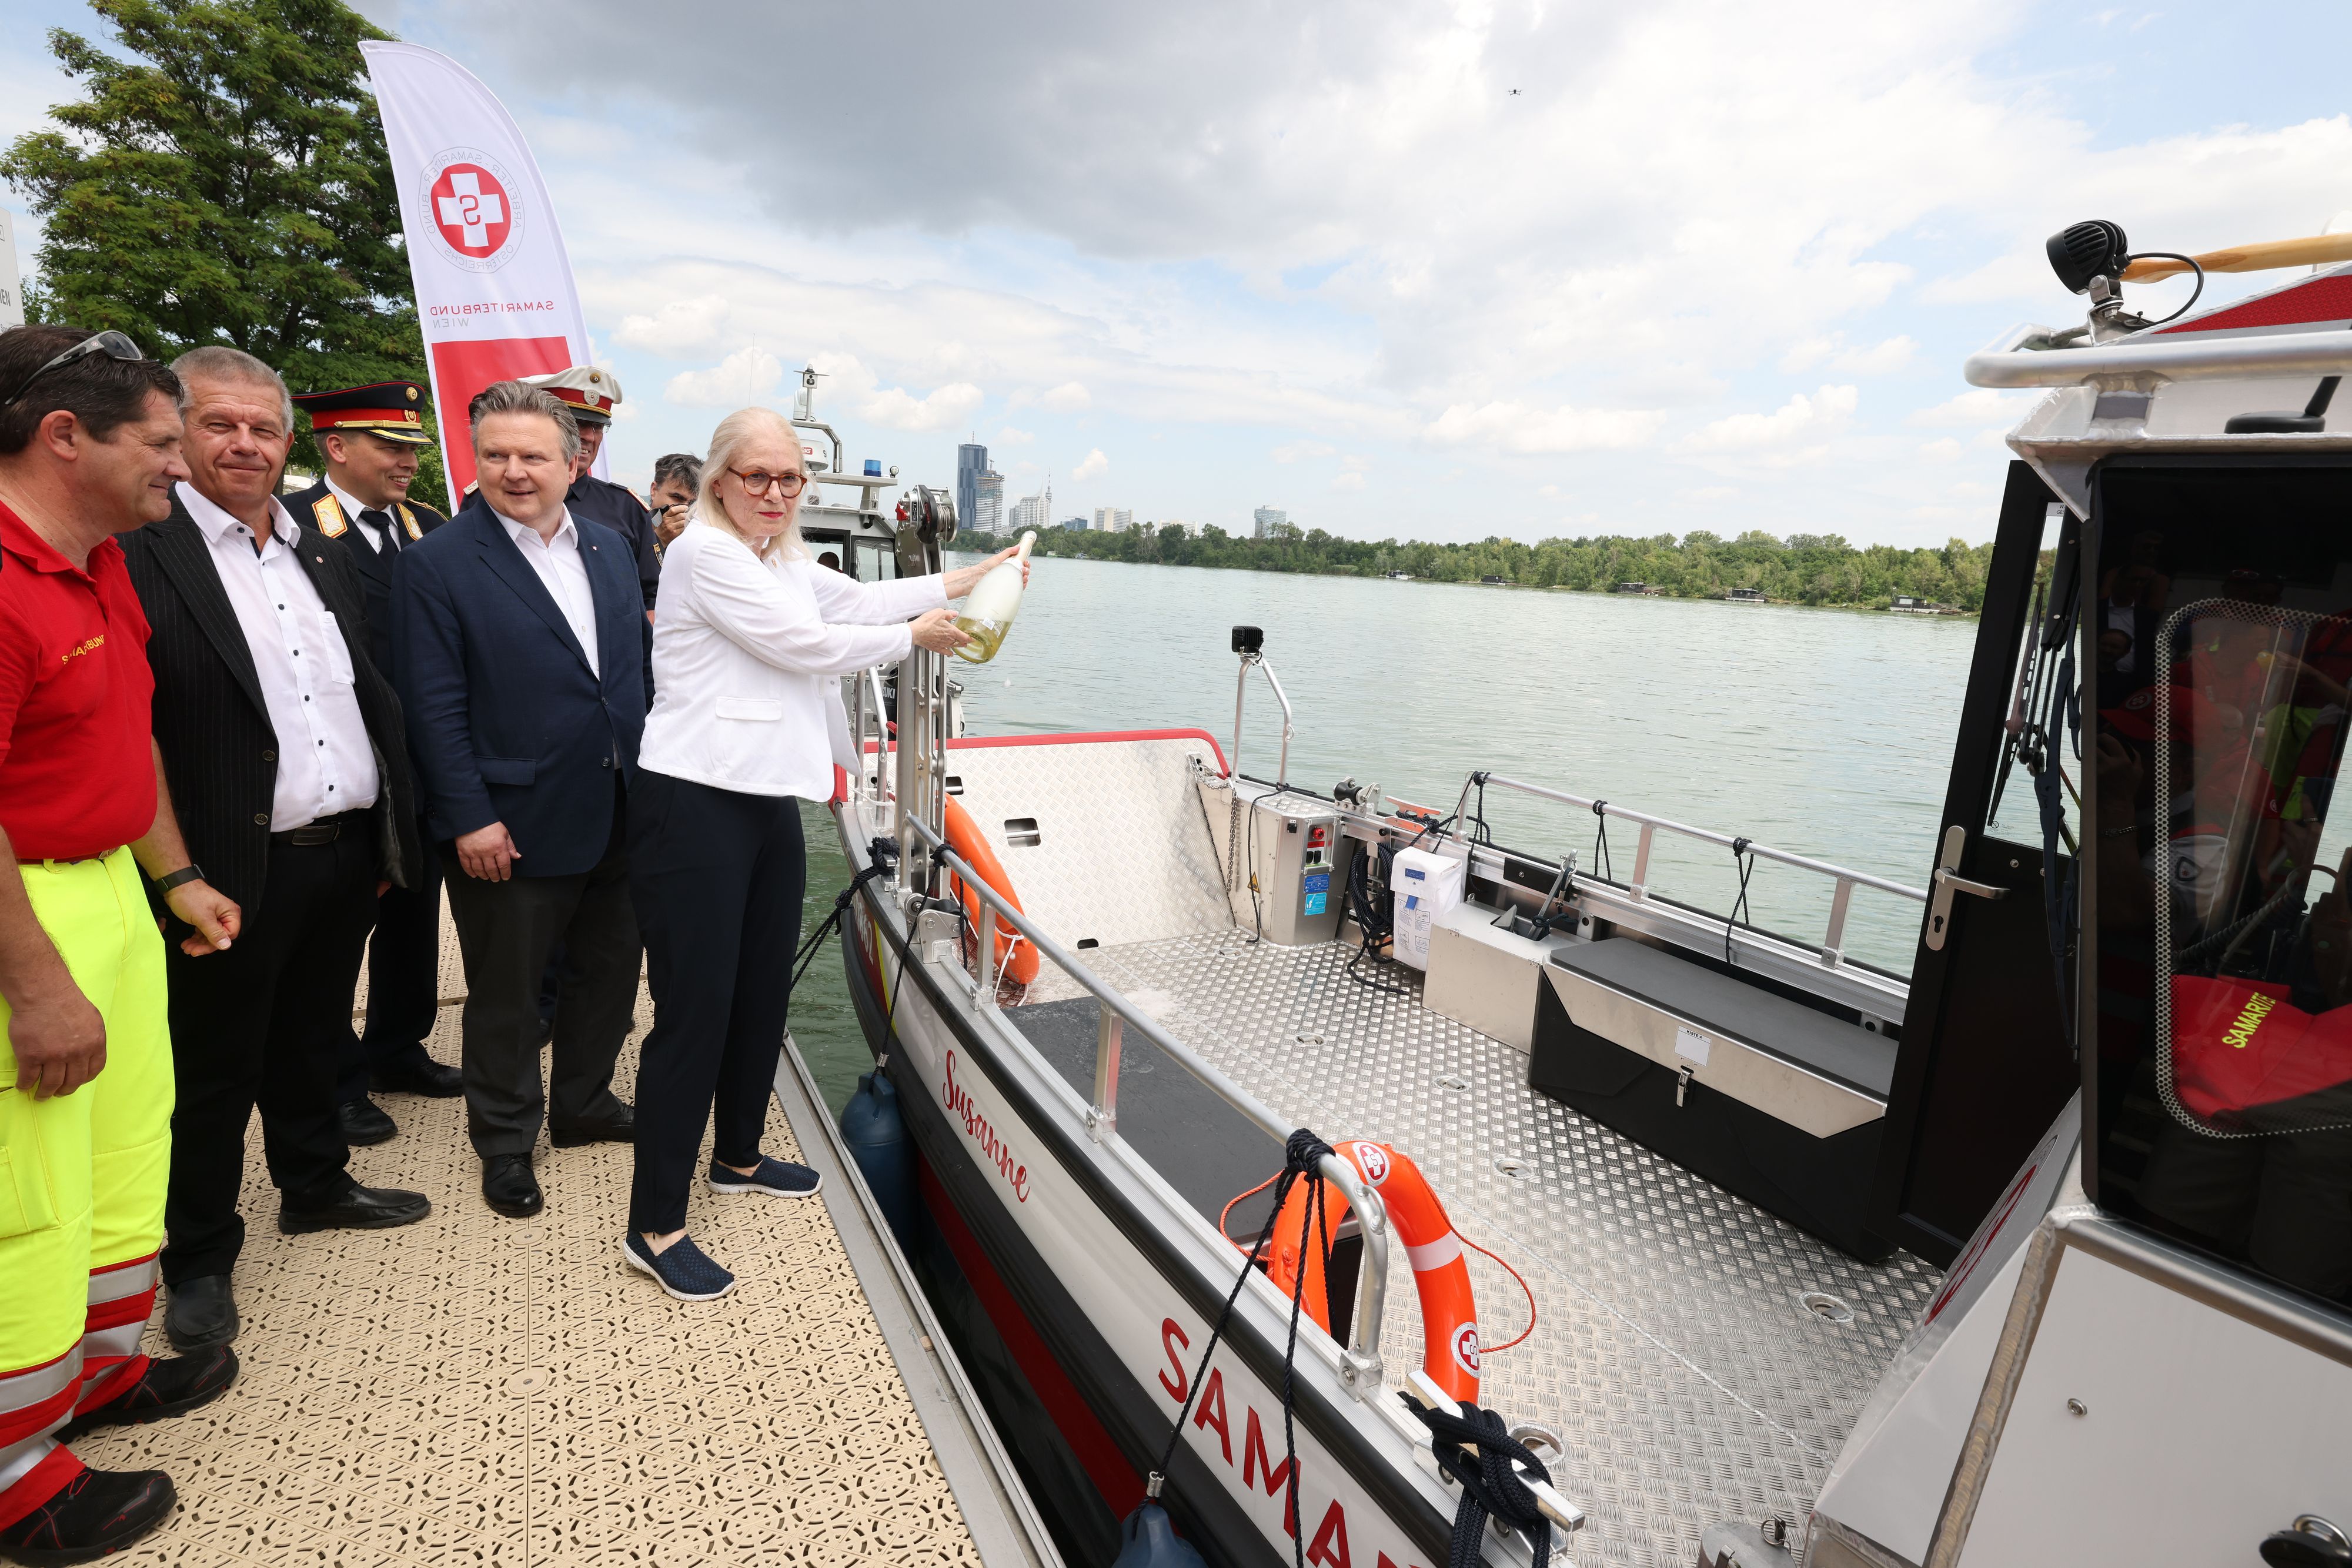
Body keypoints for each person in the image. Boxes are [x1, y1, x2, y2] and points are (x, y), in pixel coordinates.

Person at [623, 404, 1024, 1299]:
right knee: (696, 1010)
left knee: (762, 989)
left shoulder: (780, 557)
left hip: (764, 798)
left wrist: (969, 579)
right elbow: (802, 643)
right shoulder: (705, 552)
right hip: (693, 800)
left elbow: (858, 599)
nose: (774, 492)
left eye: (790, 479)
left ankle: (736, 1156)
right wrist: (912, 639)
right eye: (757, 476)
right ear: (720, 479)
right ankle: (654, 1222)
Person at [120, 347, 432, 1355]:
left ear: (290, 441)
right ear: (178, 429)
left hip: (343, 845)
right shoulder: (143, 548)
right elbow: (139, 726)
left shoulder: (317, 543)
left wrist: (392, 828)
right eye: (219, 425)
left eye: (264, 428)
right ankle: (201, 1254)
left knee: (312, 1031)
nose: (244, 444)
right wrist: (176, 873)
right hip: (225, 862)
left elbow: (364, 691)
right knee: (214, 1066)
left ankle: (313, 1180)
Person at [0, 326, 239, 1557]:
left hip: (108, 892)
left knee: (117, 1155)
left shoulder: (97, 562)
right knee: (21, 1202)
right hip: (21, 918)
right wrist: (35, 988)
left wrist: (176, 873)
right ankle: (13, 1478)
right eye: (159, 443)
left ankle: (88, 1382)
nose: (181, 467)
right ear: (63, 438)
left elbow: (122, 735)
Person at [393, 380, 651, 1221]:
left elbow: (630, 682)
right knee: (506, 993)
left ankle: (584, 1103)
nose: (512, 470)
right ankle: (505, 1140)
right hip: (507, 820)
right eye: (494, 453)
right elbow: (430, 704)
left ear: (574, 460)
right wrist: (468, 815)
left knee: (608, 974)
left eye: (532, 454)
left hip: (618, 804)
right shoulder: (435, 563)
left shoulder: (610, 548)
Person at [283, 382, 463, 1148]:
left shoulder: (428, 526)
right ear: (335, 447)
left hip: (418, 761)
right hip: (344, 762)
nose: (407, 461)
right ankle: (337, 1079)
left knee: (411, 917)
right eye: (390, 446)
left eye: (413, 447)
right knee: (337, 934)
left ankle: (397, 1046)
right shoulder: (293, 527)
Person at [647, 452, 698, 553]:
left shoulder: (699, 537)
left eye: (692, 503)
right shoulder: (629, 528)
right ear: (654, 490)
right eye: (677, 498)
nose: (685, 508)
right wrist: (660, 539)